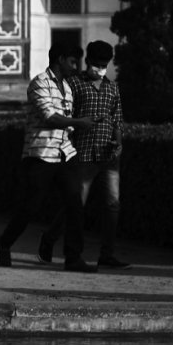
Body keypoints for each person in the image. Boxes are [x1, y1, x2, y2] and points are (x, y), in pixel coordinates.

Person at [0, 45, 85, 270]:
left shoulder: (67, 87)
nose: (76, 67)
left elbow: (64, 121)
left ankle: (73, 258)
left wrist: (75, 128)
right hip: (41, 154)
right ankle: (4, 244)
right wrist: (78, 123)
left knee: (74, 202)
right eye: (73, 62)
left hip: (64, 152)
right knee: (30, 207)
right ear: (61, 59)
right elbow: (50, 118)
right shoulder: (39, 83)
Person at [55, 39, 124, 269]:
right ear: (88, 62)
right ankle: (68, 251)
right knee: (76, 207)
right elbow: (64, 117)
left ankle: (107, 254)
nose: (100, 69)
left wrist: (118, 141)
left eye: (104, 65)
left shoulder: (112, 87)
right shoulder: (74, 84)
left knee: (112, 205)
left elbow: (117, 119)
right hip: (82, 155)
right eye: (97, 64)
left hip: (108, 156)